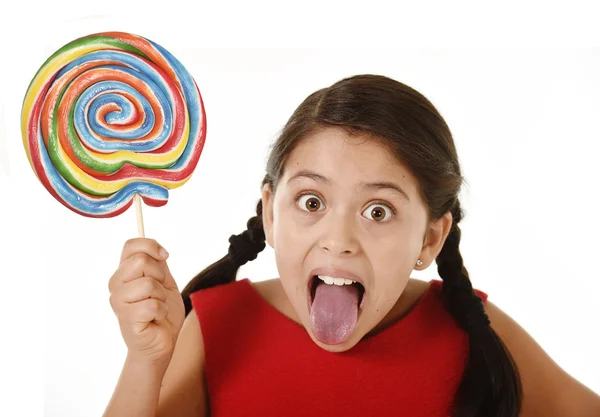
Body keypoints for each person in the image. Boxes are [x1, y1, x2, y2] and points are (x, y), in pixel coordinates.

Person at [103, 74, 600, 417]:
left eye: (377, 211)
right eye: (312, 201)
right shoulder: (212, 327)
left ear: (430, 237)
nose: (338, 241)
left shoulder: (474, 333)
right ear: (270, 214)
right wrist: (145, 360)